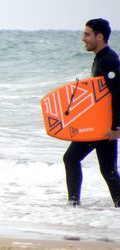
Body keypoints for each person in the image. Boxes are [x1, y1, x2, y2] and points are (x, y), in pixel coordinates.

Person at [63, 18, 120, 207]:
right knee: (108, 170)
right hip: (101, 124)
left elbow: (118, 94)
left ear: (100, 36)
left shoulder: (109, 60)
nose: (83, 38)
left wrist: (116, 127)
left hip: (105, 127)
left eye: (87, 34)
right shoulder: (101, 58)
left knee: (71, 158)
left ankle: (73, 205)